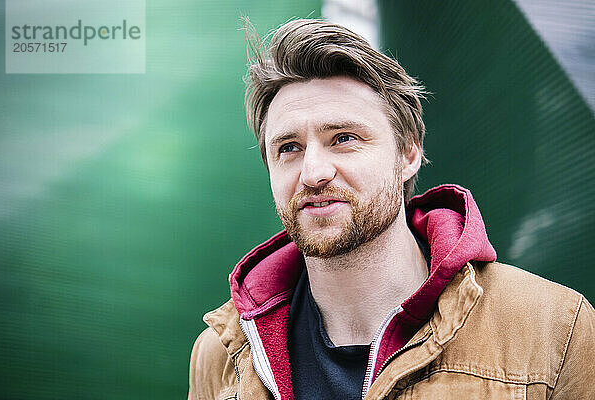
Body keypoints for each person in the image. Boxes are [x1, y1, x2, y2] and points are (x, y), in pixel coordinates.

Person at [188, 19, 595, 400]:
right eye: (288, 148)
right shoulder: (221, 355)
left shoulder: (553, 329)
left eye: (344, 138)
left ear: (408, 153)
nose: (312, 172)